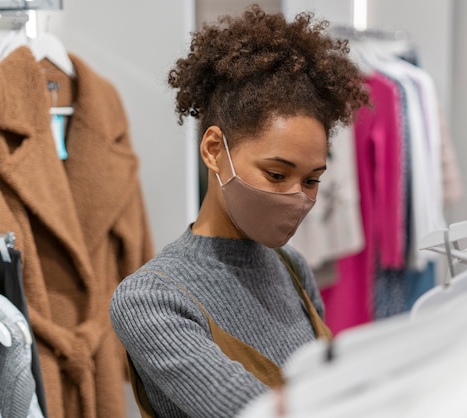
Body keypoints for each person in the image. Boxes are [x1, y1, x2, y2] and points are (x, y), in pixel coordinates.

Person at [109, 4, 369, 417]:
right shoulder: (151, 299)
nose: (297, 197)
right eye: (276, 173)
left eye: (311, 180)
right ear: (215, 150)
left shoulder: (291, 267)